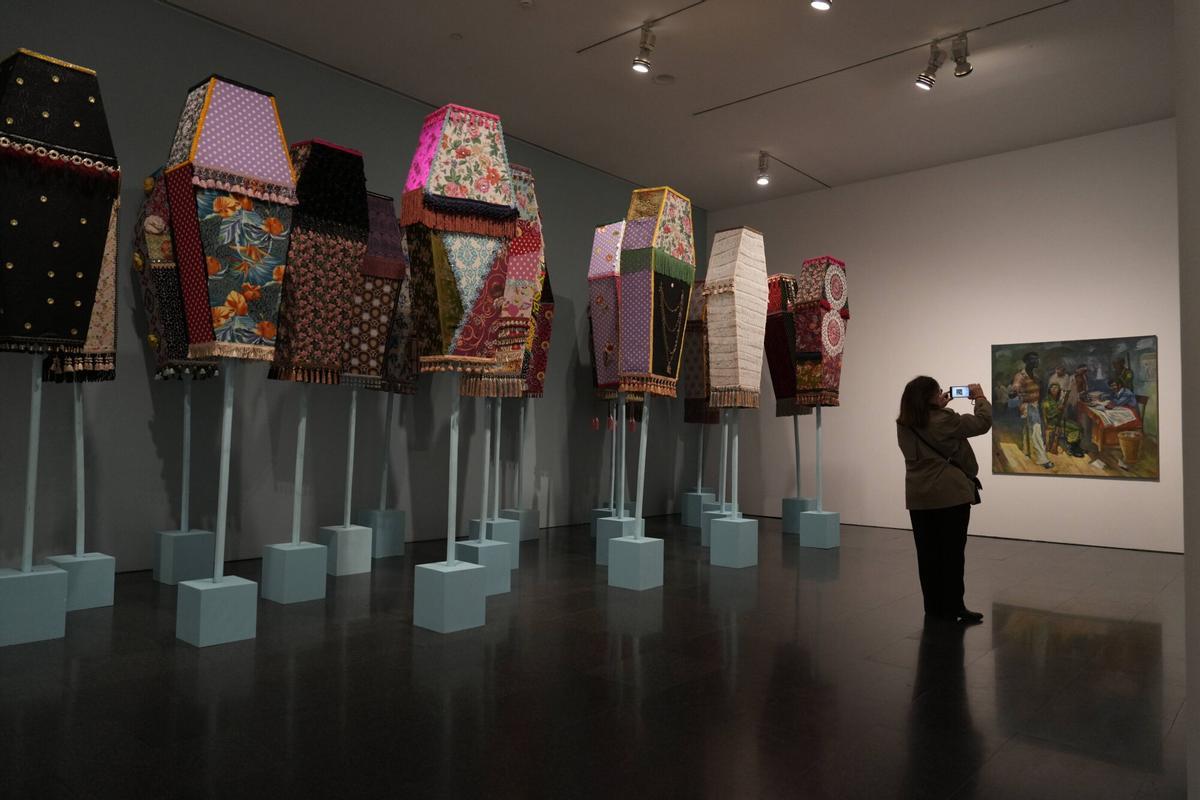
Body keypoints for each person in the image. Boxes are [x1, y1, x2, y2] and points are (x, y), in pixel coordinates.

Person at [896, 376, 991, 624]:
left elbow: (932, 431)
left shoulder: (904, 423)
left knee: (927, 555)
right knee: (951, 555)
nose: (942, 394)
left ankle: (934, 607)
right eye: (938, 392)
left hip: (918, 498)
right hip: (949, 496)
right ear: (928, 397)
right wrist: (979, 396)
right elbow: (982, 423)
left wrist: (939, 407)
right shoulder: (945, 420)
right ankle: (954, 607)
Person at [1009, 352, 1052, 469]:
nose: (1037, 361)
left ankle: (1026, 451)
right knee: (1036, 431)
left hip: (1035, 405)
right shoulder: (1021, 376)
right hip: (1028, 407)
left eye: (1037, 359)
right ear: (1027, 362)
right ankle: (1042, 459)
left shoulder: (1035, 375)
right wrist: (1014, 392)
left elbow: (1040, 391)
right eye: (1034, 360)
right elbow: (1015, 387)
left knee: (1029, 429)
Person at [1042, 382, 1085, 457]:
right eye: (1053, 388)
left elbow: (1060, 410)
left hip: (1058, 420)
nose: (1054, 389)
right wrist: (1058, 409)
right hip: (1053, 422)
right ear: (1049, 389)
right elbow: (1049, 415)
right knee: (1076, 428)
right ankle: (1072, 448)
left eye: (1056, 388)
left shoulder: (1056, 399)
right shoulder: (1047, 400)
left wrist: (1061, 407)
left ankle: (1076, 446)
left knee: (1079, 426)